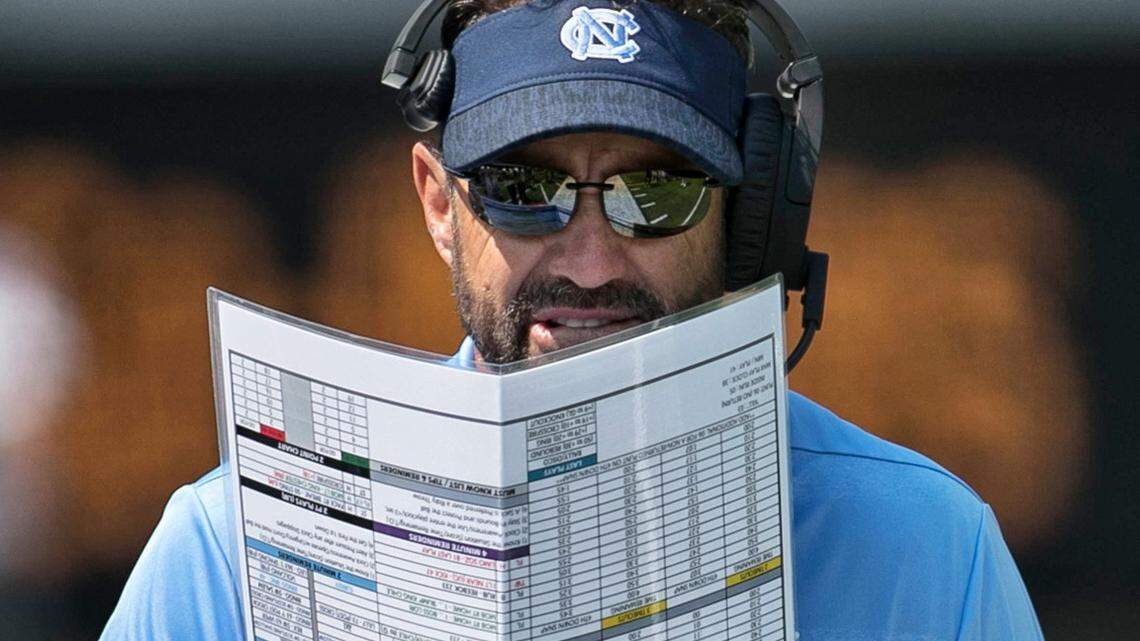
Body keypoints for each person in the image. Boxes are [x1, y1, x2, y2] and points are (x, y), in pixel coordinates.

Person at [100, 1, 1044, 639]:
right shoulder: (229, 553)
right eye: (523, 189)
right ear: (438, 204)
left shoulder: (929, 551)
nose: (589, 262)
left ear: (749, 212)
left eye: (656, 192)